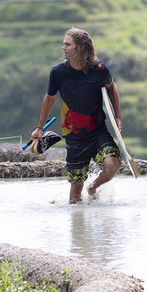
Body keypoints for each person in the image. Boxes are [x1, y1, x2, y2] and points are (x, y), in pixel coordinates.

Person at [31, 28, 122, 204]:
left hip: (97, 131)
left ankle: (93, 186)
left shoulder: (100, 69)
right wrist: (40, 127)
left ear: (80, 47)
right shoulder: (58, 72)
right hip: (74, 136)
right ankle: (77, 227)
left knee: (112, 166)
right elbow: (49, 98)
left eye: (67, 44)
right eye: (63, 44)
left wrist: (117, 116)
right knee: (75, 192)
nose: (63, 47)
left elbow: (111, 88)